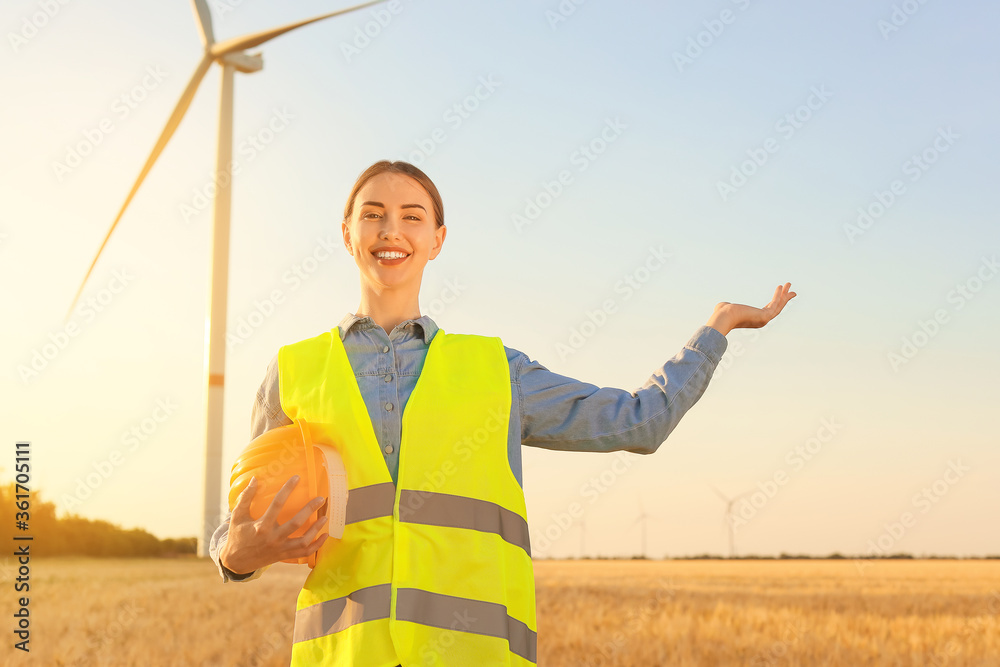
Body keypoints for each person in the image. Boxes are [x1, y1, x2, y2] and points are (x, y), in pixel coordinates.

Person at [209, 160, 797, 666]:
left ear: (438, 239)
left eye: (413, 215)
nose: (392, 229)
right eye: (373, 213)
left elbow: (641, 422)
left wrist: (715, 331)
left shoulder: (497, 370)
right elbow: (236, 534)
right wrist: (240, 555)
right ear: (346, 233)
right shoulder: (293, 372)